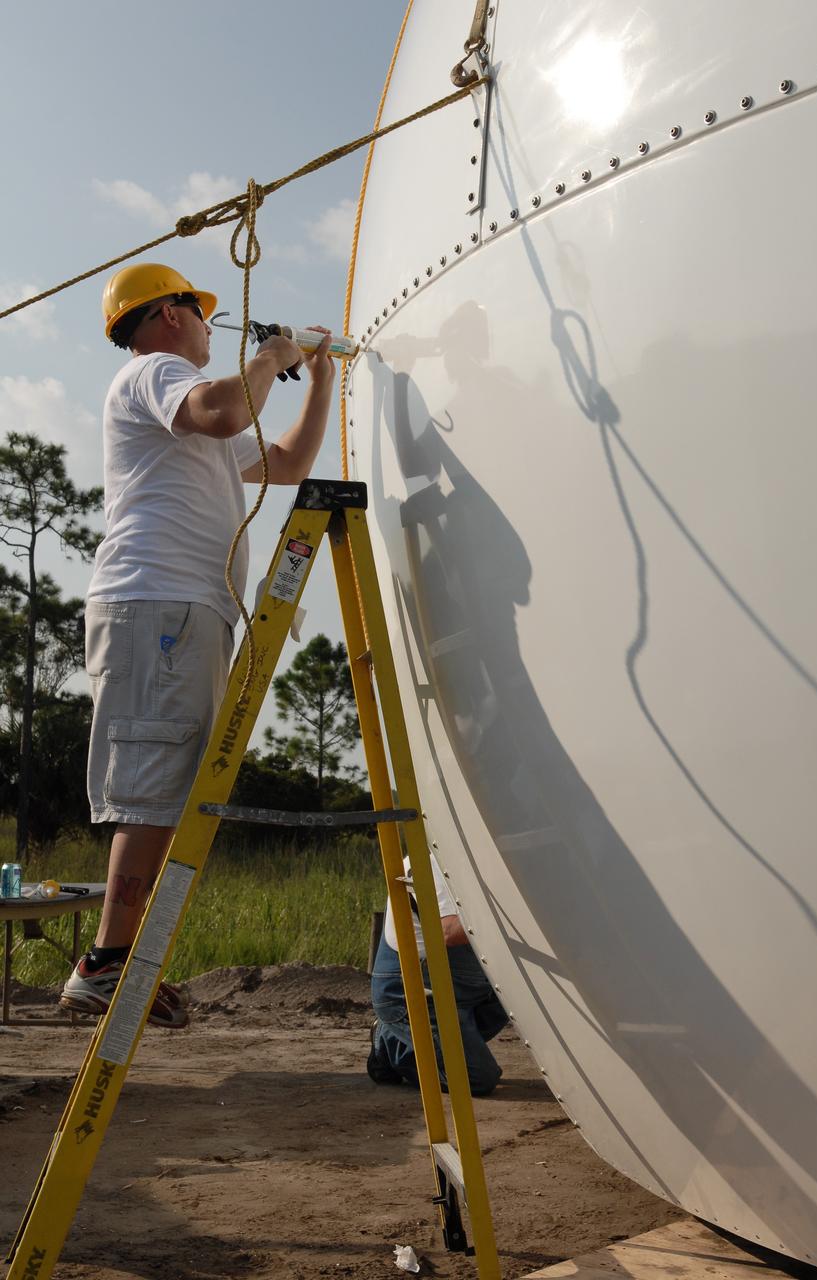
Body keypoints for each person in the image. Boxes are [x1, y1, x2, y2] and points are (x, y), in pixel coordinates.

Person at [59, 262, 334, 1027]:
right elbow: (220, 410)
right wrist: (273, 358)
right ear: (170, 314)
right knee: (150, 781)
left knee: (167, 782)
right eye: (202, 313)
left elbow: (284, 464)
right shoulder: (154, 374)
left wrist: (315, 379)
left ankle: (116, 958)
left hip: (185, 609)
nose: (212, 327)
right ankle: (108, 963)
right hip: (158, 604)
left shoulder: (197, 408)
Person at [367, 854, 508, 1096]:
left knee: (518, 999)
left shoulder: (477, 860)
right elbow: (449, 930)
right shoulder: (432, 862)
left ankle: (416, 1042)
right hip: (413, 991)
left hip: (461, 985)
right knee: (478, 1078)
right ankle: (390, 1045)